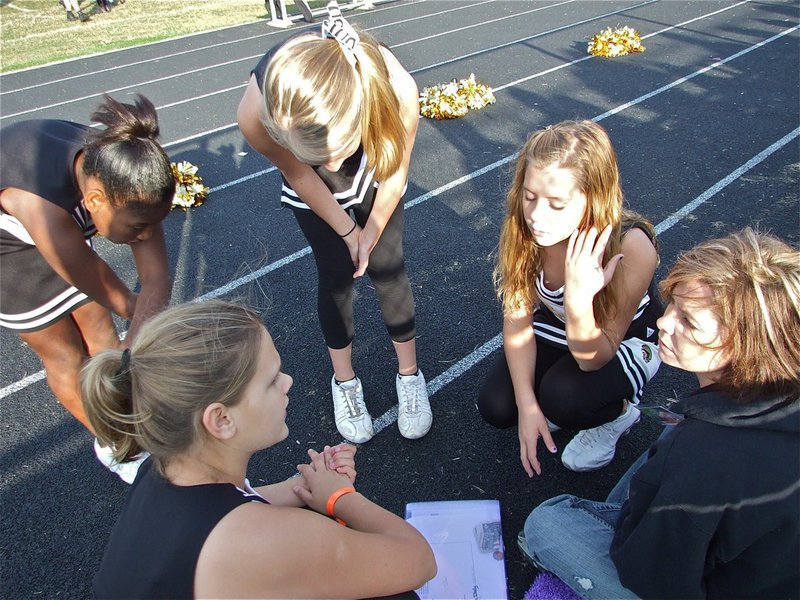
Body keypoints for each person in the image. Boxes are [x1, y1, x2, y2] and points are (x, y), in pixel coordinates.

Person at [82, 300, 437, 598]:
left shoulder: (159, 469)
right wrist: (339, 497)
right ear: (220, 420)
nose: (288, 383)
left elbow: (229, 506)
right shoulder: (264, 543)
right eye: (271, 381)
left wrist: (302, 486)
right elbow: (420, 561)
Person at [520, 229, 800, 598]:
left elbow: (654, 579)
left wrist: (640, 528)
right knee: (674, 434)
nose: (664, 322)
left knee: (547, 522)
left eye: (689, 321)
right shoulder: (776, 388)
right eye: (673, 305)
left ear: (746, 345)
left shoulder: (700, 453)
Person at [237, 0, 431, 443]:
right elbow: (300, 173)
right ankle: (344, 383)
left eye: (338, 149)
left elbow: (396, 176)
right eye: (318, 156)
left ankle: (410, 375)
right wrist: (347, 232)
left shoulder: (397, 89)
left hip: (375, 162)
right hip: (314, 192)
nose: (332, 162)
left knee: (388, 267)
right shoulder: (257, 116)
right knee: (336, 276)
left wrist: (371, 232)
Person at [0, 94, 174, 481]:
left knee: (100, 328)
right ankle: (115, 443)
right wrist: (148, 342)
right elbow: (124, 299)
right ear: (94, 201)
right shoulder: (42, 206)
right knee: (63, 352)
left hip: (61, 212)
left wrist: (136, 346)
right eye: (137, 228)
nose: (145, 236)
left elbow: (156, 281)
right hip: (8, 248)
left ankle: (126, 413)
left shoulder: (129, 175)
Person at [477, 120, 662, 474]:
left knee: (563, 397)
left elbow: (596, 357)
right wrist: (528, 405)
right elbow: (517, 322)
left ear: (593, 196)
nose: (536, 216)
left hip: (620, 340)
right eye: (530, 197)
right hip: (561, 328)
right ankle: (553, 400)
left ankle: (619, 416)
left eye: (557, 204)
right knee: (498, 406)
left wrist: (578, 300)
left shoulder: (631, 247)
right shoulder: (524, 229)